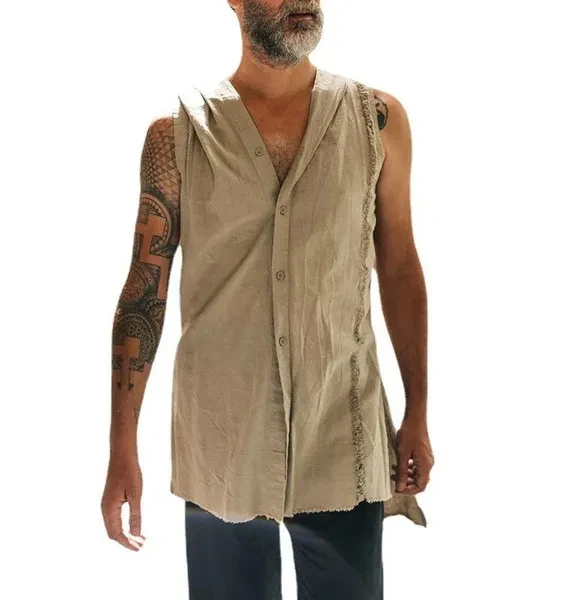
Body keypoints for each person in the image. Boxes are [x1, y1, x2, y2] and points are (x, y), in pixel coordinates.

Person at [101, 0, 434, 597]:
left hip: (342, 434)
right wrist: (122, 446)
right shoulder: (178, 136)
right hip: (221, 441)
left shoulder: (376, 121)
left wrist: (417, 410)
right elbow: (143, 292)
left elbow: (400, 267)